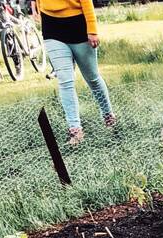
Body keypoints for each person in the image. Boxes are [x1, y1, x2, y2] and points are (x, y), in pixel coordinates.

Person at [32, 0, 116, 145]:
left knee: (93, 79)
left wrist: (92, 30)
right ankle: (75, 130)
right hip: (51, 28)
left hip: (79, 27)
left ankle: (108, 116)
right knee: (65, 80)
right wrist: (36, 7)